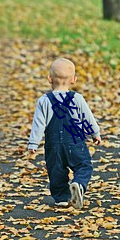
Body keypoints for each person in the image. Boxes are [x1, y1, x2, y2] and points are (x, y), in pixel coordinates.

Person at [28, 58, 101, 209]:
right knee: (84, 166)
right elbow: (87, 117)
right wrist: (95, 133)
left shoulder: (44, 100)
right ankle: (79, 184)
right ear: (74, 80)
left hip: (53, 145)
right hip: (75, 142)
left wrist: (33, 143)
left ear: (50, 78)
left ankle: (61, 198)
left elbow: (38, 124)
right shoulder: (77, 98)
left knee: (56, 171)